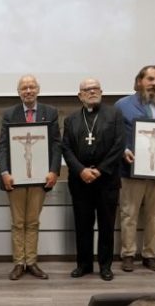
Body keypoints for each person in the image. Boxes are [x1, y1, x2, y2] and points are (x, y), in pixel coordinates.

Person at [0, 75, 61, 280]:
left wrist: (54, 170)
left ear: (38, 90)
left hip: (40, 178)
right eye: (24, 88)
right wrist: (5, 172)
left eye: (31, 87)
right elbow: (3, 146)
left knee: (32, 221)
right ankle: (19, 263)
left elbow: (56, 144)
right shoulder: (9, 114)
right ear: (19, 92)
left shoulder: (50, 112)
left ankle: (31, 262)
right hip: (15, 179)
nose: (28, 91)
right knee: (18, 222)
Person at [62, 78, 124, 281]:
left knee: (106, 225)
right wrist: (81, 170)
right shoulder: (71, 119)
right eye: (87, 89)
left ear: (101, 92)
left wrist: (100, 170)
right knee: (83, 225)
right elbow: (66, 148)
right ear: (80, 95)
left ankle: (105, 266)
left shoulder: (114, 115)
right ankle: (84, 265)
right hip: (80, 182)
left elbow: (119, 145)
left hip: (107, 181)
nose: (92, 92)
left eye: (95, 88)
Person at [115, 65, 155, 273]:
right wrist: (123, 149)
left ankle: (150, 254)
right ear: (139, 81)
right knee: (129, 214)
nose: (154, 83)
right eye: (150, 79)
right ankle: (128, 254)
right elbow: (114, 134)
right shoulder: (122, 105)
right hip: (131, 170)